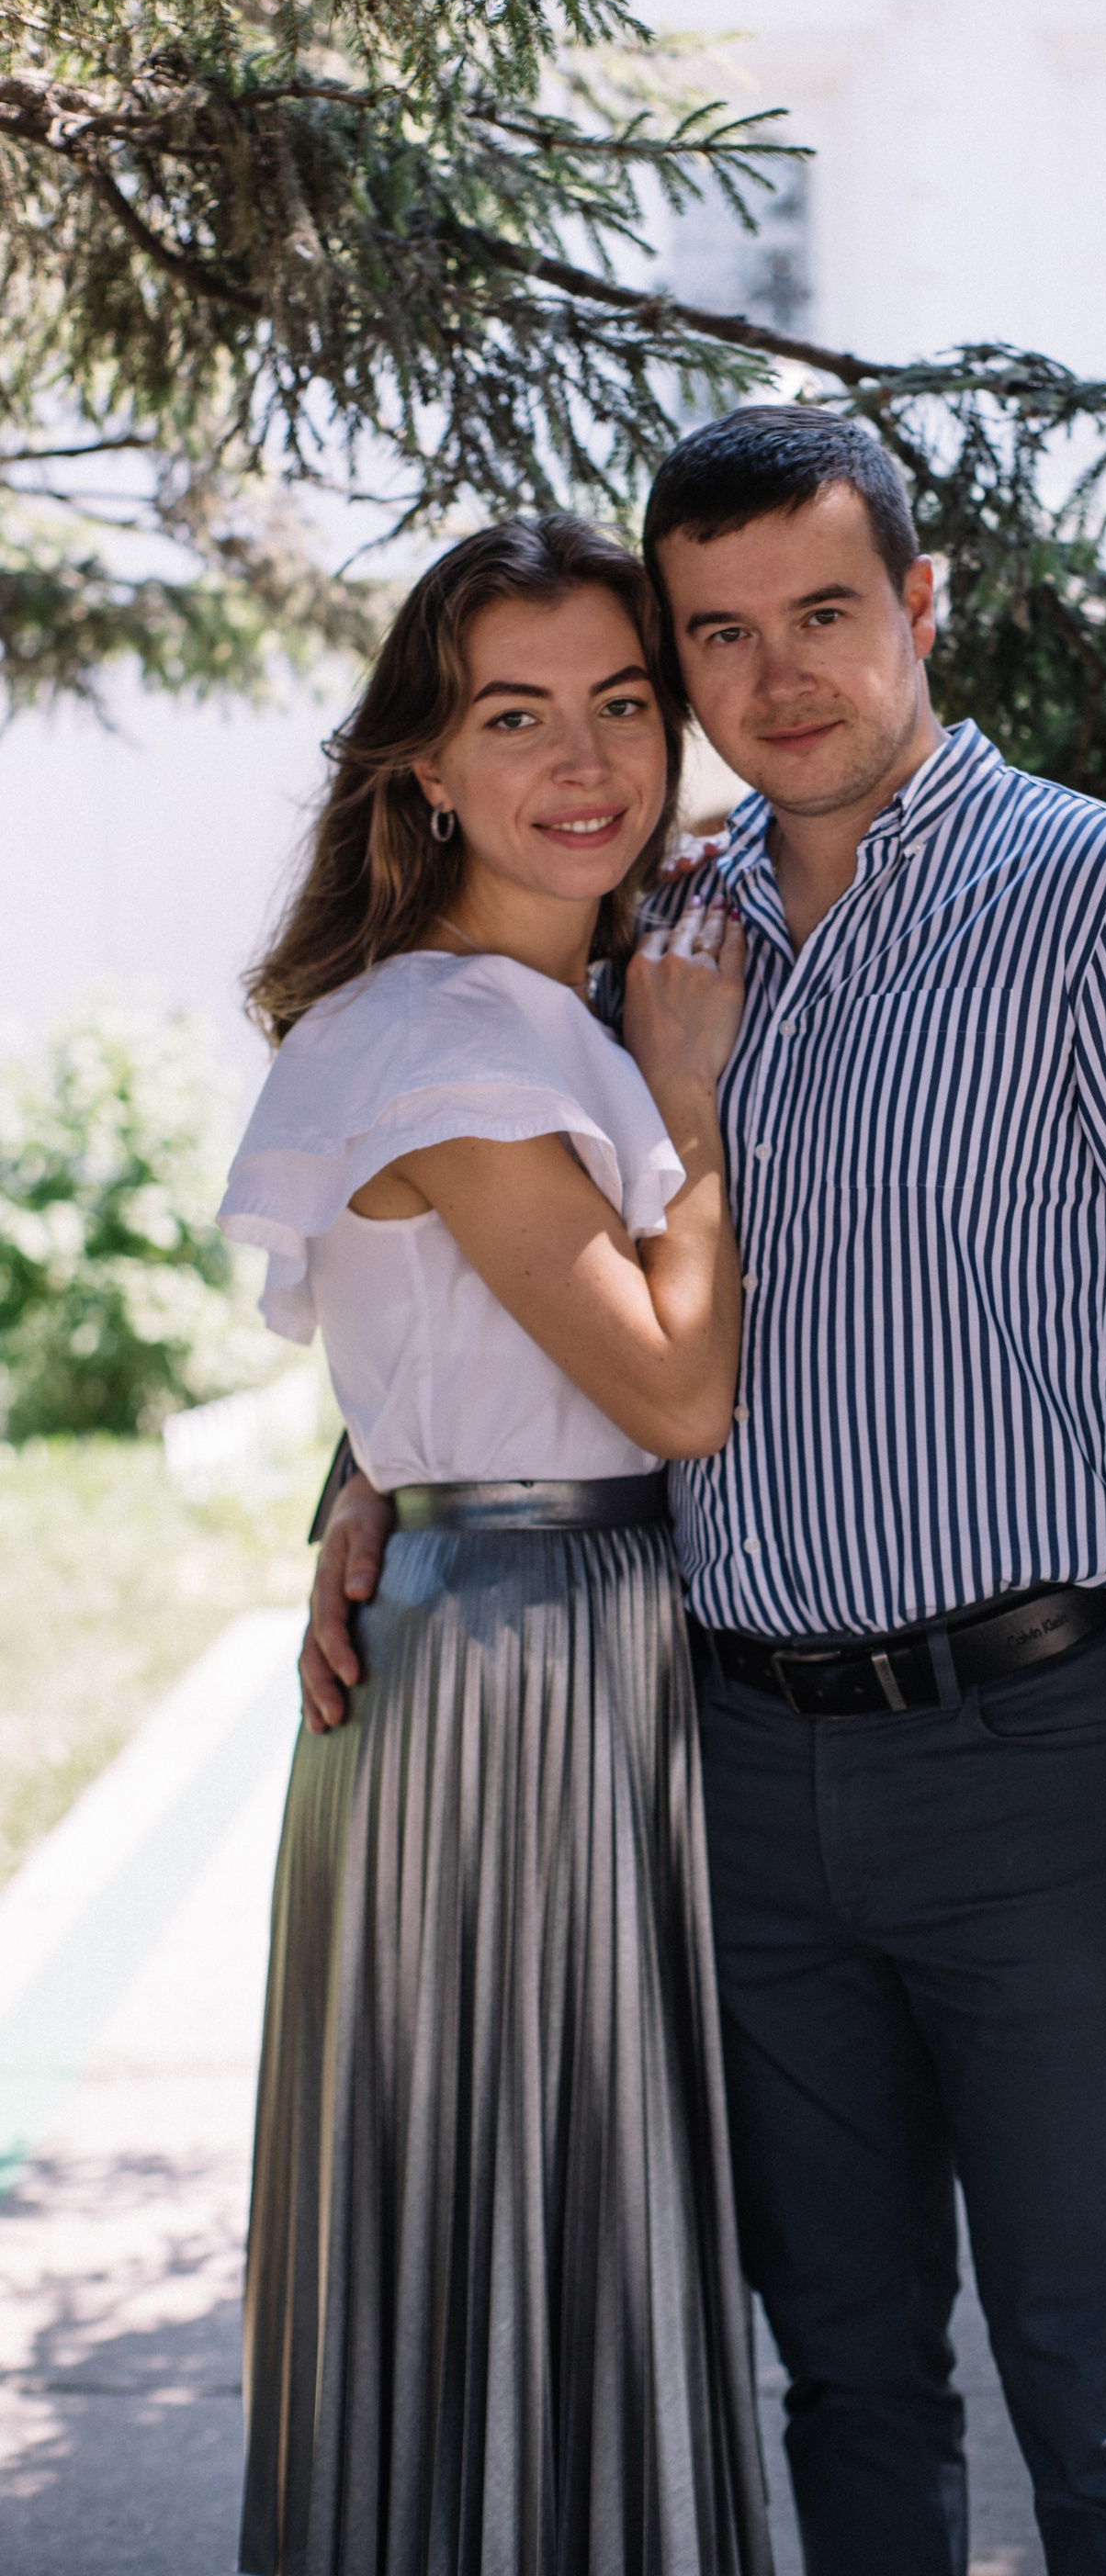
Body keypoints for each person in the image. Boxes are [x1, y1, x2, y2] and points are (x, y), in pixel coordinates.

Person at [304, 410, 1106, 2576]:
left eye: (823, 611)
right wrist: (365, 1475)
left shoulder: (1105, 900)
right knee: (845, 2369)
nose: (778, 676)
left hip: (1044, 1761)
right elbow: (522, 1257)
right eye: (718, 635)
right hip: (733, 1775)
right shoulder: (662, 925)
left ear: (921, 601)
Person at [219, 515, 773, 2576]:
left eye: (622, 702)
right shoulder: (459, 1041)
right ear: (425, 767)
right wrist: (695, 1113)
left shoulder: (546, 1004)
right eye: (515, 716)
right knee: (536, 2185)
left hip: (546, 1630)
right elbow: (673, 1393)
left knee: (554, 2206)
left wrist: (364, 1483)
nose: (587, 758)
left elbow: (437, 1361)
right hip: (527, 1672)